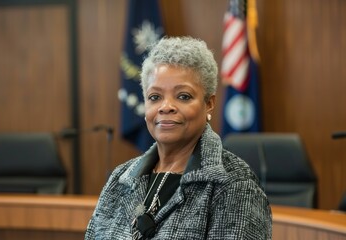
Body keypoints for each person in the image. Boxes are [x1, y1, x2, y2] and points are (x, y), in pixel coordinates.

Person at [85, 36, 272, 239]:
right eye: (155, 97)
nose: (166, 107)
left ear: (209, 103)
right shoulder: (120, 179)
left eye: (183, 96)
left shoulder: (235, 184)